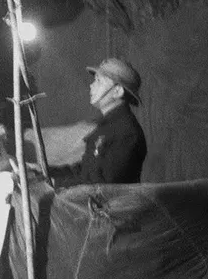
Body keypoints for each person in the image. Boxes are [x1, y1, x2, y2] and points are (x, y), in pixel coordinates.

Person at [46, 58, 147, 187]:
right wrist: (45, 172)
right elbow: (83, 172)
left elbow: (103, 186)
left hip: (105, 206)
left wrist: (57, 182)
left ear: (117, 91)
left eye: (99, 81)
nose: (91, 85)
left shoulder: (127, 132)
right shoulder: (106, 128)